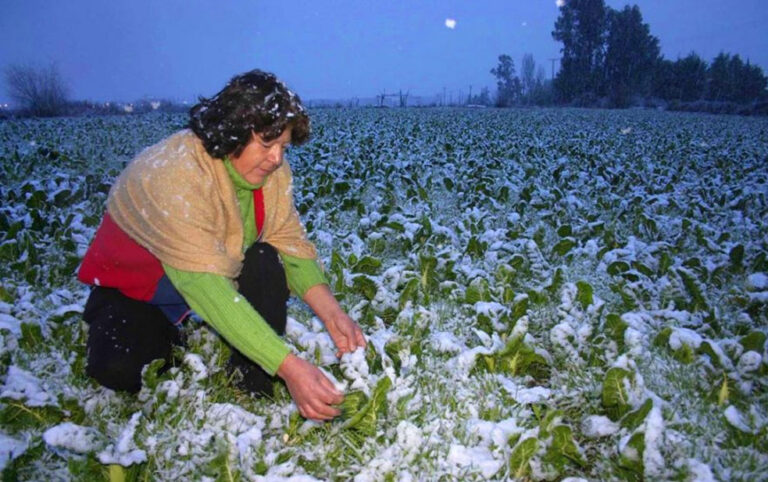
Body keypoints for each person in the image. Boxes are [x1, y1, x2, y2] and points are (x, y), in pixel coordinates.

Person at [77, 69, 366, 422]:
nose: (276, 158)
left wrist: (333, 314)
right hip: (138, 290)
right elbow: (205, 285)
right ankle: (167, 334)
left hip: (205, 276)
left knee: (265, 259)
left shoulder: (271, 174)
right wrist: (290, 366)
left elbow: (290, 244)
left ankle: (250, 375)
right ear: (233, 130)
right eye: (267, 143)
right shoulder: (176, 173)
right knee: (120, 372)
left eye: (283, 147)